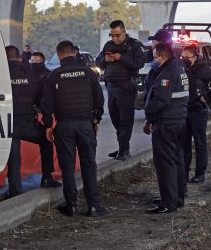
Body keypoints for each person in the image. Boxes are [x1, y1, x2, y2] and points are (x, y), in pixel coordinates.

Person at [42, 40, 106, 217]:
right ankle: (93, 206)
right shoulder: (88, 73)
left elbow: (46, 104)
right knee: (88, 164)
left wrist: (48, 126)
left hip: (64, 126)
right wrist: (96, 119)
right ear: (74, 53)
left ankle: (70, 205)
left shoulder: (54, 75)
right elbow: (99, 99)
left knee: (68, 167)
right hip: (86, 124)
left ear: (60, 55)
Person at [144, 43, 189, 213]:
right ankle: (177, 198)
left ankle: (168, 202)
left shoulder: (167, 73)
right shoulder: (179, 67)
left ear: (162, 57)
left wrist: (149, 117)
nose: (153, 60)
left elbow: (161, 101)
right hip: (178, 121)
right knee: (176, 160)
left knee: (165, 164)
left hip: (166, 123)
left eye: (155, 57)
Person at [96, 20, 144, 160]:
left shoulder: (134, 45)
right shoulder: (108, 45)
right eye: (112, 35)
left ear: (124, 32)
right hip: (111, 87)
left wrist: (120, 58)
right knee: (115, 118)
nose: (114, 38)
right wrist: (105, 59)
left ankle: (123, 150)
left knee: (126, 120)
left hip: (127, 87)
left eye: (117, 35)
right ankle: (123, 147)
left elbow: (139, 63)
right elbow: (98, 61)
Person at [6, 45, 37, 197]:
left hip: (7, 124)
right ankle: (48, 177)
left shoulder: (2, 74)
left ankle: (15, 193)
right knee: (46, 141)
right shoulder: (28, 72)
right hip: (27, 123)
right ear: (19, 58)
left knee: (14, 162)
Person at [30, 51, 62, 188]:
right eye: (32, 62)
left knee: (47, 141)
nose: (35, 65)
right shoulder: (28, 76)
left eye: (38, 62)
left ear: (43, 62)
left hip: (45, 112)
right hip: (30, 114)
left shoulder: (49, 75)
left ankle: (48, 175)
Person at [181, 45, 211, 184]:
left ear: (195, 56)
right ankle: (183, 173)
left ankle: (200, 173)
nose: (184, 60)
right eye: (182, 57)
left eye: (187, 58)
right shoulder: (183, 68)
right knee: (184, 143)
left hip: (198, 110)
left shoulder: (203, 68)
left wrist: (205, 98)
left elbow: (194, 84)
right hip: (184, 109)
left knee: (200, 143)